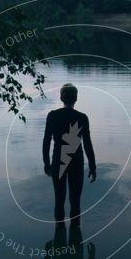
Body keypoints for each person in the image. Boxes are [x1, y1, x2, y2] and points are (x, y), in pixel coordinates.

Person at [42, 83, 96, 224]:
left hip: (58, 161)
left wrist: (47, 164)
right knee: (75, 201)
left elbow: (46, 142)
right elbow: (87, 144)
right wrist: (93, 166)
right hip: (76, 162)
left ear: (61, 98)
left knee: (59, 200)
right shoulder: (82, 117)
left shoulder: (52, 116)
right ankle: (75, 230)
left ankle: (59, 232)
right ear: (76, 98)